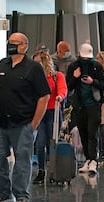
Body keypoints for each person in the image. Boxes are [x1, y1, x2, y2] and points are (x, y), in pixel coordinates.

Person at [0, 32, 50, 202]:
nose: (11, 45)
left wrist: (34, 124)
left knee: (22, 159)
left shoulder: (33, 68)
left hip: (23, 123)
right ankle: (3, 193)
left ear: (24, 46)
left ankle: (21, 196)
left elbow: (44, 96)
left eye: (15, 43)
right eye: (10, 42)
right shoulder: (2, 64)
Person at [67, 43, 104, 174]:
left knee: (92, 132)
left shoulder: (96, 66)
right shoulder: (73, 66)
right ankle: (87, 159)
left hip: (94, 105)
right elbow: (69, 86)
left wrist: (92, 82)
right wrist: (75, 76)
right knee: (83, 132)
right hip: (79, 105)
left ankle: (93, 159)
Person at [32, 51, 67, 184]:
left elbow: (62, 89)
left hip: (53, 111)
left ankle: (54, 170)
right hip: (40, 112)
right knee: (40, 143)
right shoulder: (35, 78)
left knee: (52, 143)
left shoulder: (57, 76)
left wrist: (60, 96)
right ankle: (41, 170)